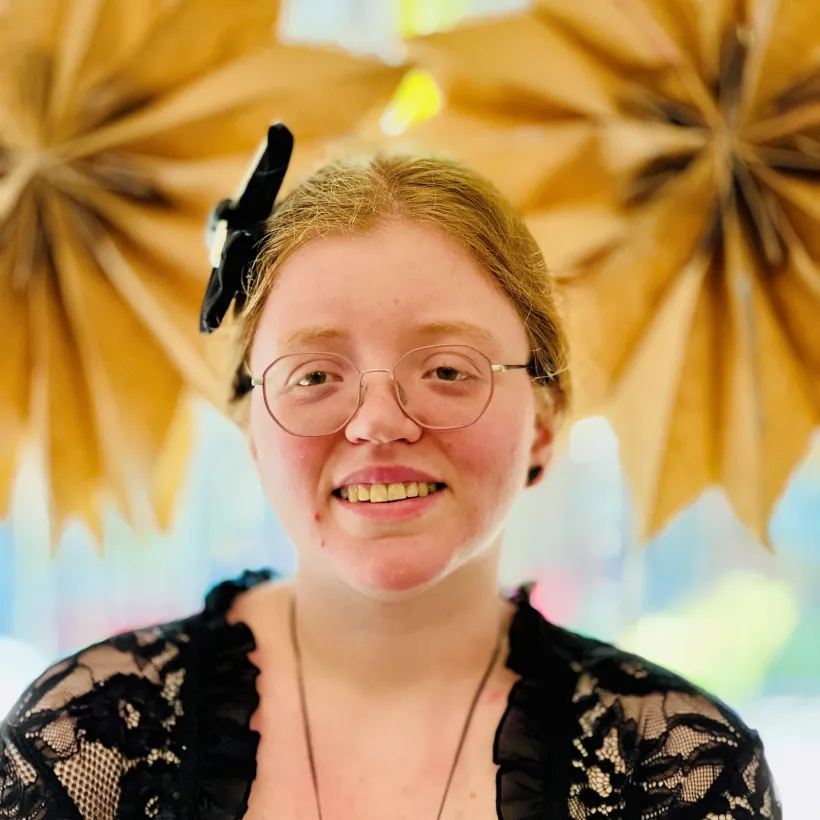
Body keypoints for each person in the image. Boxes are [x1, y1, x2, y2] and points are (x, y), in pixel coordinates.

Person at [0, 124, 781, 820]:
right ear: (251, 431)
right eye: (314, 375)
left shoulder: (675, 772)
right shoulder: (84, 745)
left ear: (543, 425)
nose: (379, 421)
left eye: (447, 370)